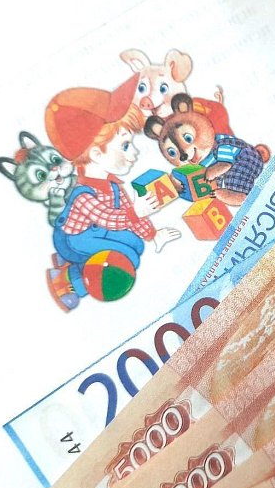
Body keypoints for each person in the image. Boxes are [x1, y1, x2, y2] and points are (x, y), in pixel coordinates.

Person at [44, 74, 180, 311]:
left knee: (136, 245)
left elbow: (129, 214)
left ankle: (71, 263)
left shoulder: (114, 186)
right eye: (125, 146)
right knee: (127, 257)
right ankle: (69, 281)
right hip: (73, 239)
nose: (134, 153)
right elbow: (107, 218)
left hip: (98, 230)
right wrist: (136, 212)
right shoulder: (83, 194)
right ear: (97, 155)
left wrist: (152, 235)